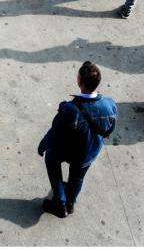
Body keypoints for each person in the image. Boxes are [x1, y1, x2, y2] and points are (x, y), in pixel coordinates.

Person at [37, 61, 117, 218]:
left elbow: (55, 133)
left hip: (69, 150)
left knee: (51, 158)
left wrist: (42, 146)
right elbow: (110, 129)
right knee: (78, 176)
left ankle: (60, 202)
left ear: (79, 82)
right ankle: (70, 203)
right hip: (89, 153)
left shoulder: (69, 109)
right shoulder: (110, 105)